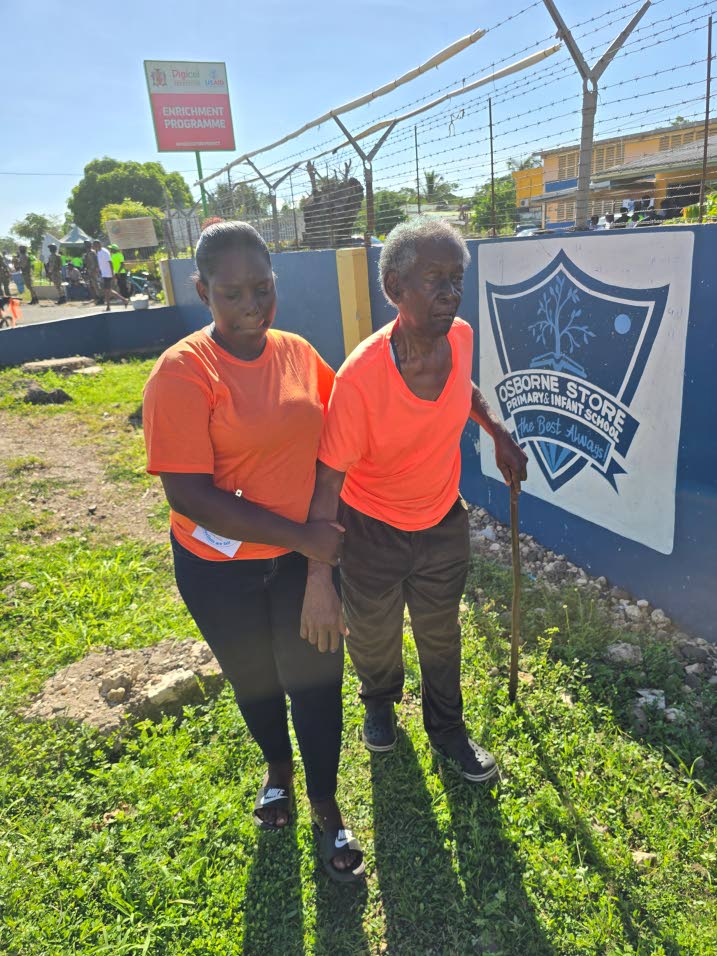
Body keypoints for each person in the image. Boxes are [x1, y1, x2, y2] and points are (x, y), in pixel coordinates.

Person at [142, 220, 365, 883]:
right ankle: (277, 769)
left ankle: (325, 804)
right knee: (256, 681)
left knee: (318, 682)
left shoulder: (297, 352)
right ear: (200, 289)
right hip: (217, 571)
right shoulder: (183, 373)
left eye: (262, 289)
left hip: (302, 563)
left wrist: (318, 557)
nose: (250, 308)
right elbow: (188, 494)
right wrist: (302, 536)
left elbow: (340, 438)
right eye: (231, 293)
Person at [301, 218, 528, 785]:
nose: (450, 294)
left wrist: (496, 431)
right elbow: (327, 482)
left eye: (456, 279)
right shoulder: (361, 378)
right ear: (395, 289)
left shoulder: (462, 336)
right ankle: (379, 700)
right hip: (371, 529)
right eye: (435, 280)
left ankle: (447, 729)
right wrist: (317, 578)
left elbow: (466, 390)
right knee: (374, 631)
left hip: (441, 521)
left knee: (440, 630)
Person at [92, 240, 128, 310]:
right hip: (104, 274)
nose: (93, 247)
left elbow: (110, 263)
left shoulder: (104, 252)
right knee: (108, 290)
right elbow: (102, 263)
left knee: (107, 290)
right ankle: (123, 300)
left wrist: (112, 274)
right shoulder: (98, 252)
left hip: (108, 274)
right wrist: (98, 269)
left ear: (98, 245)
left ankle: (110, 306)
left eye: (94, 245)